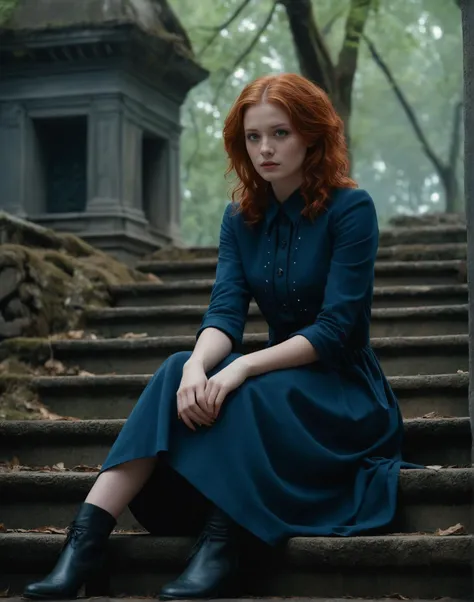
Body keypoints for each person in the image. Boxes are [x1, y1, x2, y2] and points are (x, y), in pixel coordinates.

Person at [23, 73, 419, 601]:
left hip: (341, 391)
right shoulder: (240, 218)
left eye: (279, 133)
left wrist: (240, 367)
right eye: (254, 137)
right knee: (174, 368)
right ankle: (84, 543)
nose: (265, 149)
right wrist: (196, 367)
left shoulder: (352, 209)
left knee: (245, 388)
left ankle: (223, 544)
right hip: (281, 382)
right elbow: (225, 312)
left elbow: (334, 329)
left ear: (311, 135)